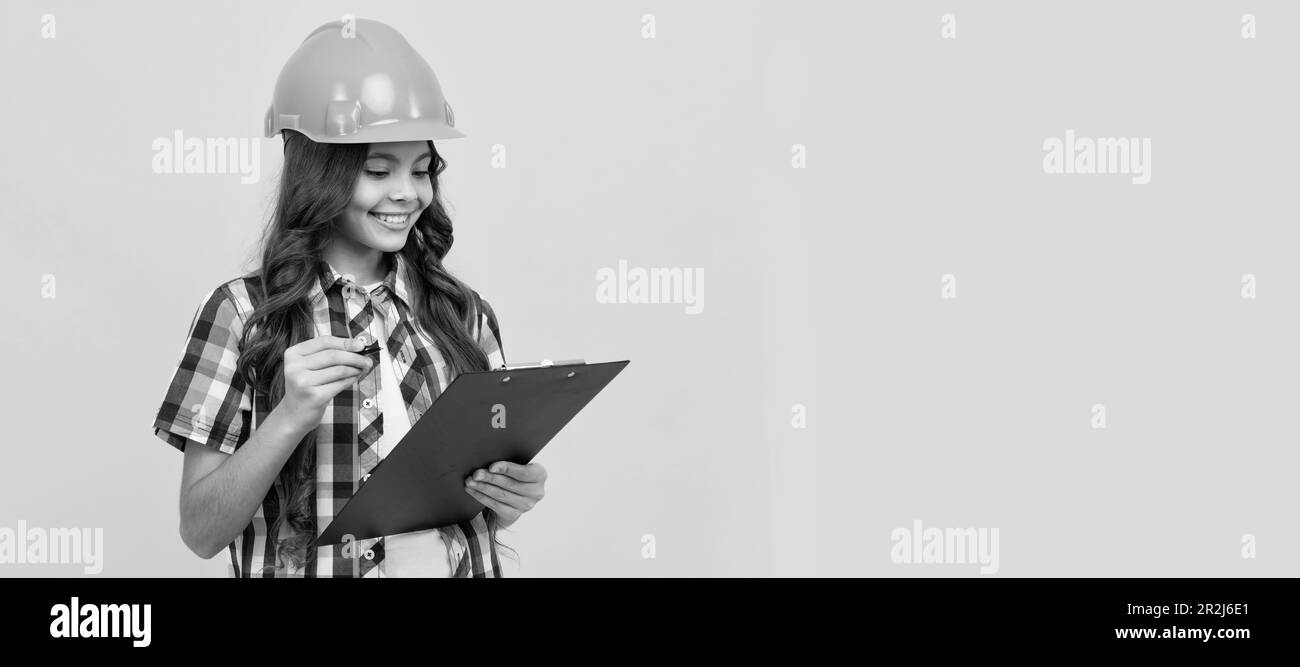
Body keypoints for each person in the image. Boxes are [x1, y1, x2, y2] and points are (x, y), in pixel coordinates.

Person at [150, 18, 546, 577]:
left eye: (422, 168)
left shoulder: (463, 314)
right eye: (378, 170)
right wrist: (289, 416)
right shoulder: (243, 316)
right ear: (319, 173)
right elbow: (200, 530)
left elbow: (470, 506)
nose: (407, 193)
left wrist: (510, 493)